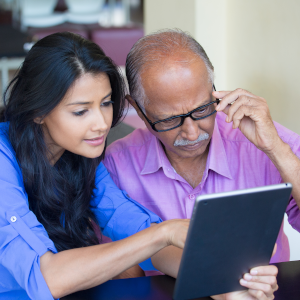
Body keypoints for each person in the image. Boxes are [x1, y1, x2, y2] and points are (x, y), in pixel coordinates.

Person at [0, 32, 277, 300]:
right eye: (81, 111)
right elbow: (46, 277)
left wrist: (227, 286)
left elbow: (140, 232)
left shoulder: (80, 158)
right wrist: (163, 232)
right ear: (38, 110)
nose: (102, 124)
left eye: (106, 103)